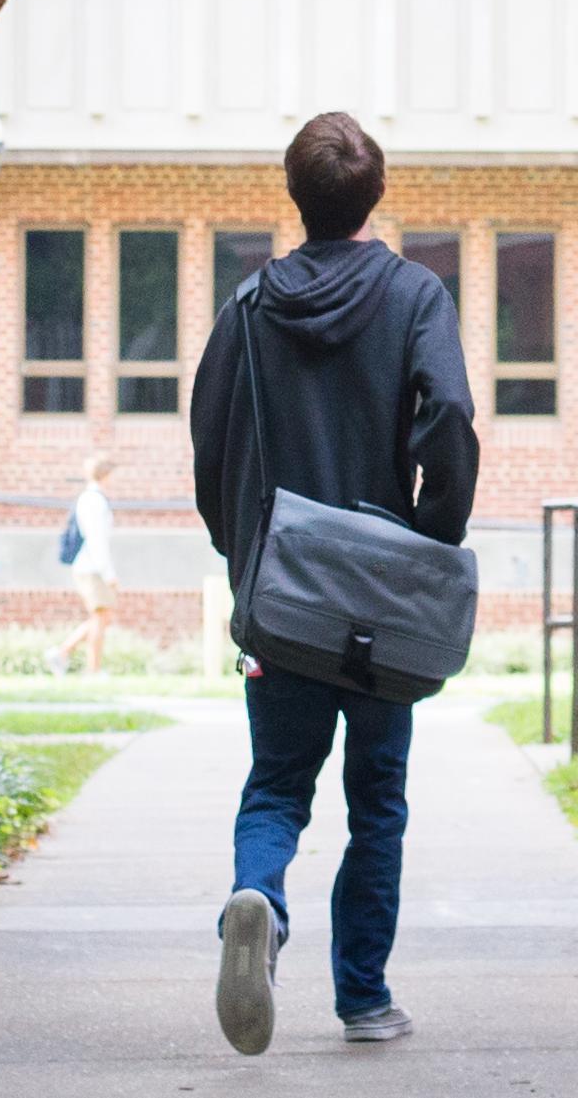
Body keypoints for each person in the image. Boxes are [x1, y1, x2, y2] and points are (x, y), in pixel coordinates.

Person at [189, 112, 479, 1054]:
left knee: (277, 783)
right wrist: (434, 534)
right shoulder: (415, 297)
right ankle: (363, 997)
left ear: (295, 195)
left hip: (283, 593)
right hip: (383, 599)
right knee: (377, 801)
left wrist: (248, 559)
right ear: (375, 193)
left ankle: (260, 902)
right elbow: (451, 419)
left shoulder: (247, 308)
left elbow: (208, 441)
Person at [48, 453, 120, 673]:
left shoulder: (93, 499)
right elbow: (96, 539)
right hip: (92, 568)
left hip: (91, 566)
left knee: (103, 617)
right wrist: (109, 575)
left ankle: (62, 653)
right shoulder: (94, 501)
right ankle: (92, 670)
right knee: (100, 617)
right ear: (105, 475)